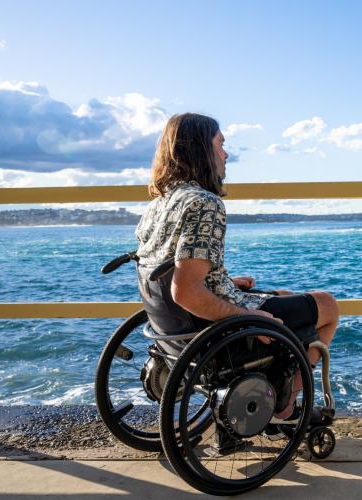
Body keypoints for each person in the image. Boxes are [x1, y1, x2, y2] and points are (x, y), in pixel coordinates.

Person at [135, 112, 339, 420]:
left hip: (178, 331)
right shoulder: (205, 203)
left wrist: (225, 280)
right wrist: (247, 316)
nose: (226, 154)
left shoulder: (161, 202)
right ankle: (284, 404)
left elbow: (173, 268)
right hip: (213, 332)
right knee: (328, 306)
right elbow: (186, 291)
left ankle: (273, 386)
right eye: (220, 144)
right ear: (201, 149)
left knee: (283, 294)